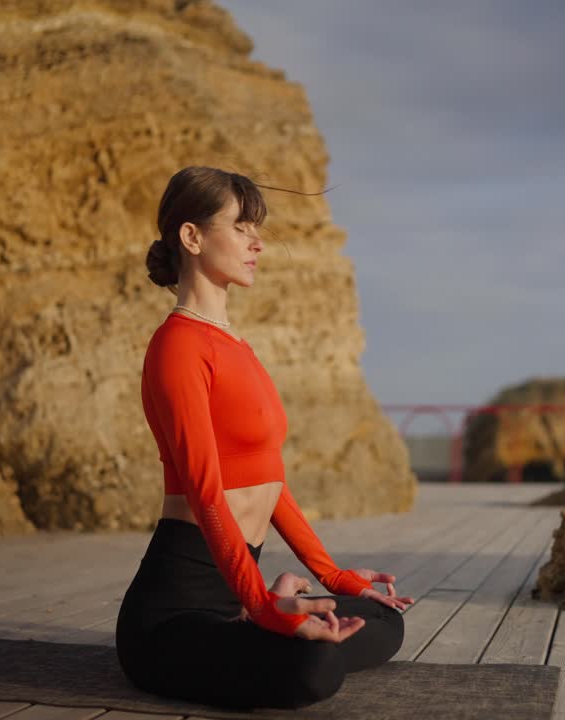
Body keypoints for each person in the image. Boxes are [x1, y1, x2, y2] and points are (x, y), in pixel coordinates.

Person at [116, 166, 411, 709]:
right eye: (242, 227)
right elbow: (207, 493)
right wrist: (262, 606)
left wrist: (335, 576)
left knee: (382, 619)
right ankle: (266, 619)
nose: (257, 243)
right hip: (177, 611)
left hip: (240, 587)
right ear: (192, 236)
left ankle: (267, 619)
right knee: (314, 666)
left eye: (258, 230)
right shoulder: (177, 346)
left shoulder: (237, 348)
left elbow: (270, 481)